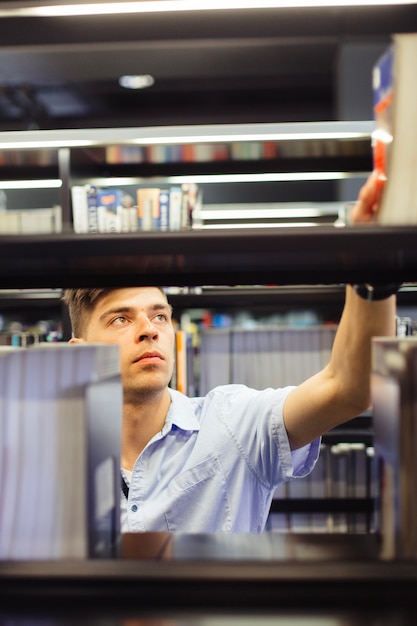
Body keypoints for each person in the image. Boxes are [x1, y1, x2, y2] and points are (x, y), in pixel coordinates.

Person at [62, 172, 397, 533]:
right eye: (120, 320)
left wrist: (373, 268)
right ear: (79, 356)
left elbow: (349, 388)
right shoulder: (48, 455)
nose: (149, 329)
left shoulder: (231, 423)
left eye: (159, 314)